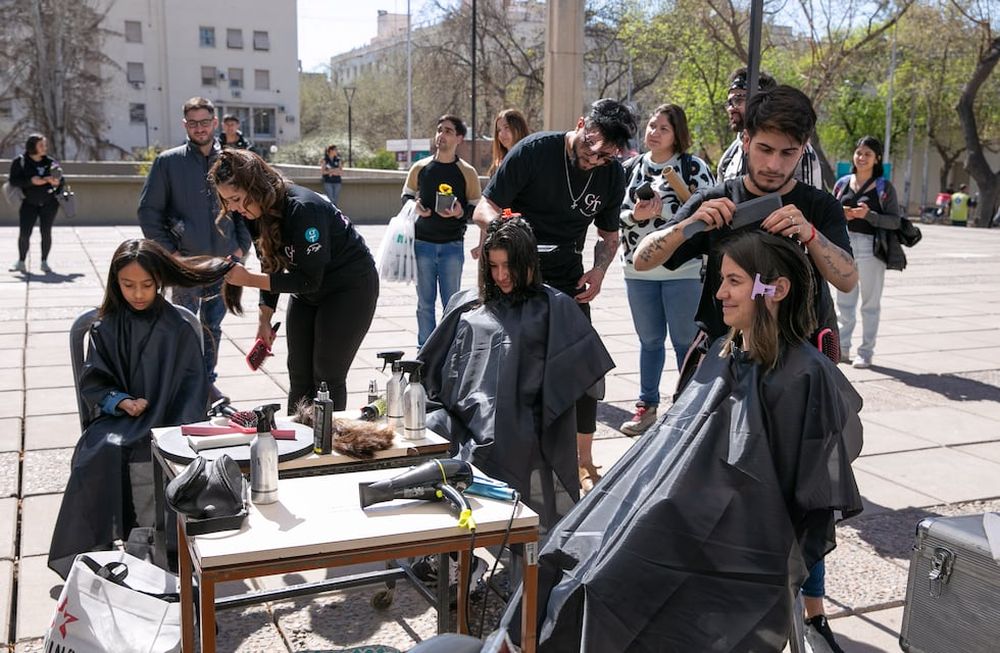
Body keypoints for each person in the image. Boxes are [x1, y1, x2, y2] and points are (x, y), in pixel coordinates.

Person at [496, 230, 863, 652]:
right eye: (720, 280)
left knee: (600, 586)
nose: (720, 293)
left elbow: (791, 491)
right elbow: (671, 448)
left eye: (734, 282)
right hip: (676, 512)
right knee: (560, 550)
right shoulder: (725, 352)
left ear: (776, 289)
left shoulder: (802, 375)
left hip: (725, 539)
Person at [634, 84, 858, 653]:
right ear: (745, 140)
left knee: (802, 494)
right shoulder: (719, 198)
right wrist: (689, 226)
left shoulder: (817, 204)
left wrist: (808, 235)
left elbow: (848, 276)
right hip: (725, 372)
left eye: (788, 153)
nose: (775, 164)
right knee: (714, 491)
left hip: (799, 373)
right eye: (764, 149)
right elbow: (642, 257)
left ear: (801, 150)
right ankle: (715, 601)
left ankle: (811, 613)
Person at [48, 239, 239, 578]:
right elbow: (95, 382)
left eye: (147, 285)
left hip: (171, 419)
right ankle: (100, 552)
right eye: (128, 285)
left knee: (158, 455)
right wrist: (120, 400)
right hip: (119, 419)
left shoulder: (178, 327)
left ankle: (159, 546)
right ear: (114, 283)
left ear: (160, 282)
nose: (137, 293)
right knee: (98, 456)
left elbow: (191, 388)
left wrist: (170, 426)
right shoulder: (104, 327)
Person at [473, 98, 637, 493]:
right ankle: (505, 451)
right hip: (517, 270)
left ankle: (583, 461)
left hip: (567, 276)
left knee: (583, 368)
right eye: (589, 147)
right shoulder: (534, 151)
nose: (593, 160)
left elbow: (609, 235)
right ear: (581, 123)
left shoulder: (612, 174)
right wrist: (509, 240)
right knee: (514, 367)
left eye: (604, 156)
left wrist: (598, 272)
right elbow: (484, 206)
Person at [419, 216, 615, 528]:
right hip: (462, 418)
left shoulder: (554, 307)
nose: (501, 276)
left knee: (500, 444)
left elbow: (583, 374)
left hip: (524, 423)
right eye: (493, 267)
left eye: (508, 266)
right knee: (427, 430)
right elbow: (430, 370)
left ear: (527, 263)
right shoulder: (467, 304)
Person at [211, 149, 378, 412]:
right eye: (226, 201)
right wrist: (264, 319)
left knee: (326, 376)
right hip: (308, 289)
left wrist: (248, 280)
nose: (232, 207)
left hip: (348, 289)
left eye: (236, 198)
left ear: (255, 187)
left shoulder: (303, 209)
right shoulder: (253, 213)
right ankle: (298, 445)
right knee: (299, 375)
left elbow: (309, 280)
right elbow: (270, 264)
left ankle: (326, 446)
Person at [138, 96, 250, 404]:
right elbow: (148, 212)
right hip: (184, 265)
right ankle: (184, 384)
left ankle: (206, 385)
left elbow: (245, 208)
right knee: (183, 326)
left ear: (215, 123)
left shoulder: (232, 161)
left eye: (204, 122)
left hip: (223, 263)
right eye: (193, 123)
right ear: (185, 125)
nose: (199, 128)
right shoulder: (167, 162)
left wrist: (241, 248)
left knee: (212, 327)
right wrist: (170, 253)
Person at [618, 104, 715, 436]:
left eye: (663, 128)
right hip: (637, 270)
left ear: (678, 134)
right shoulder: (630, 167)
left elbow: (709, 211)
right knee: (649, 341)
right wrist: (638, 217)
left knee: (685, 342)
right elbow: (614, 215)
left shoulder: (693, 167)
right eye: (651, 125)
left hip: (682, 269)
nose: (653, 132)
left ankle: (690, 410)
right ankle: (647, 406)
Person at [402, 114, 482, 346]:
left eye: (448, 131)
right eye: (439, 130)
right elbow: (406, 196)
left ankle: (449, 353)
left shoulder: (467, 172)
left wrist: (460, 212)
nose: (441, 135)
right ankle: (424, 354)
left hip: (452, 247)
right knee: (424, 305)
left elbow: (476, 208)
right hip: (422, 246)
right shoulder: (420, 167)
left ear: (459, 138)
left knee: (451, 305)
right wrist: (414, 206)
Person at [833, 136, 902, 370]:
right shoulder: (842, 183)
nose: (861, 158)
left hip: (871, 248)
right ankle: (842, 348)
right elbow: (829, 212)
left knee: (870, 304)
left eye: (867, 154)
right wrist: (842, 213)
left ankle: (865, 352)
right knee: (844, 302)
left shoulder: (884, 187)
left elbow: (895, 221)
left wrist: (869, 216)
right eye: (859, 153)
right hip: (844, 245)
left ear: (877, 159)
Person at [717, 67, 823, 190]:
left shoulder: (798, 150)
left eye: (738, 100)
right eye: (729, 102)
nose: (731, 108)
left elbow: (808, 204)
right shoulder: (730, 156)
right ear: (747, 142)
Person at [8, 133, 64, 274]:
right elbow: (13, 181)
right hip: (29, 203)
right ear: (32, 146)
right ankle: (21, 262)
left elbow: (61, 179)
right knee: (24, 233)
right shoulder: (20, 162)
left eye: (44, 145)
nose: (44, 147)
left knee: (46, 233)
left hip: (49, 203)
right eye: (41, 145)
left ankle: (44, 262)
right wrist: (31, 181)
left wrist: (56, 182)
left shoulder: (51, 162)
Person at [488, 108, 529, 177]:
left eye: (507, 127)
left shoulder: (530, 161)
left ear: (519, 128)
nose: (502, 134)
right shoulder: (497, 165)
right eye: (499, 130)